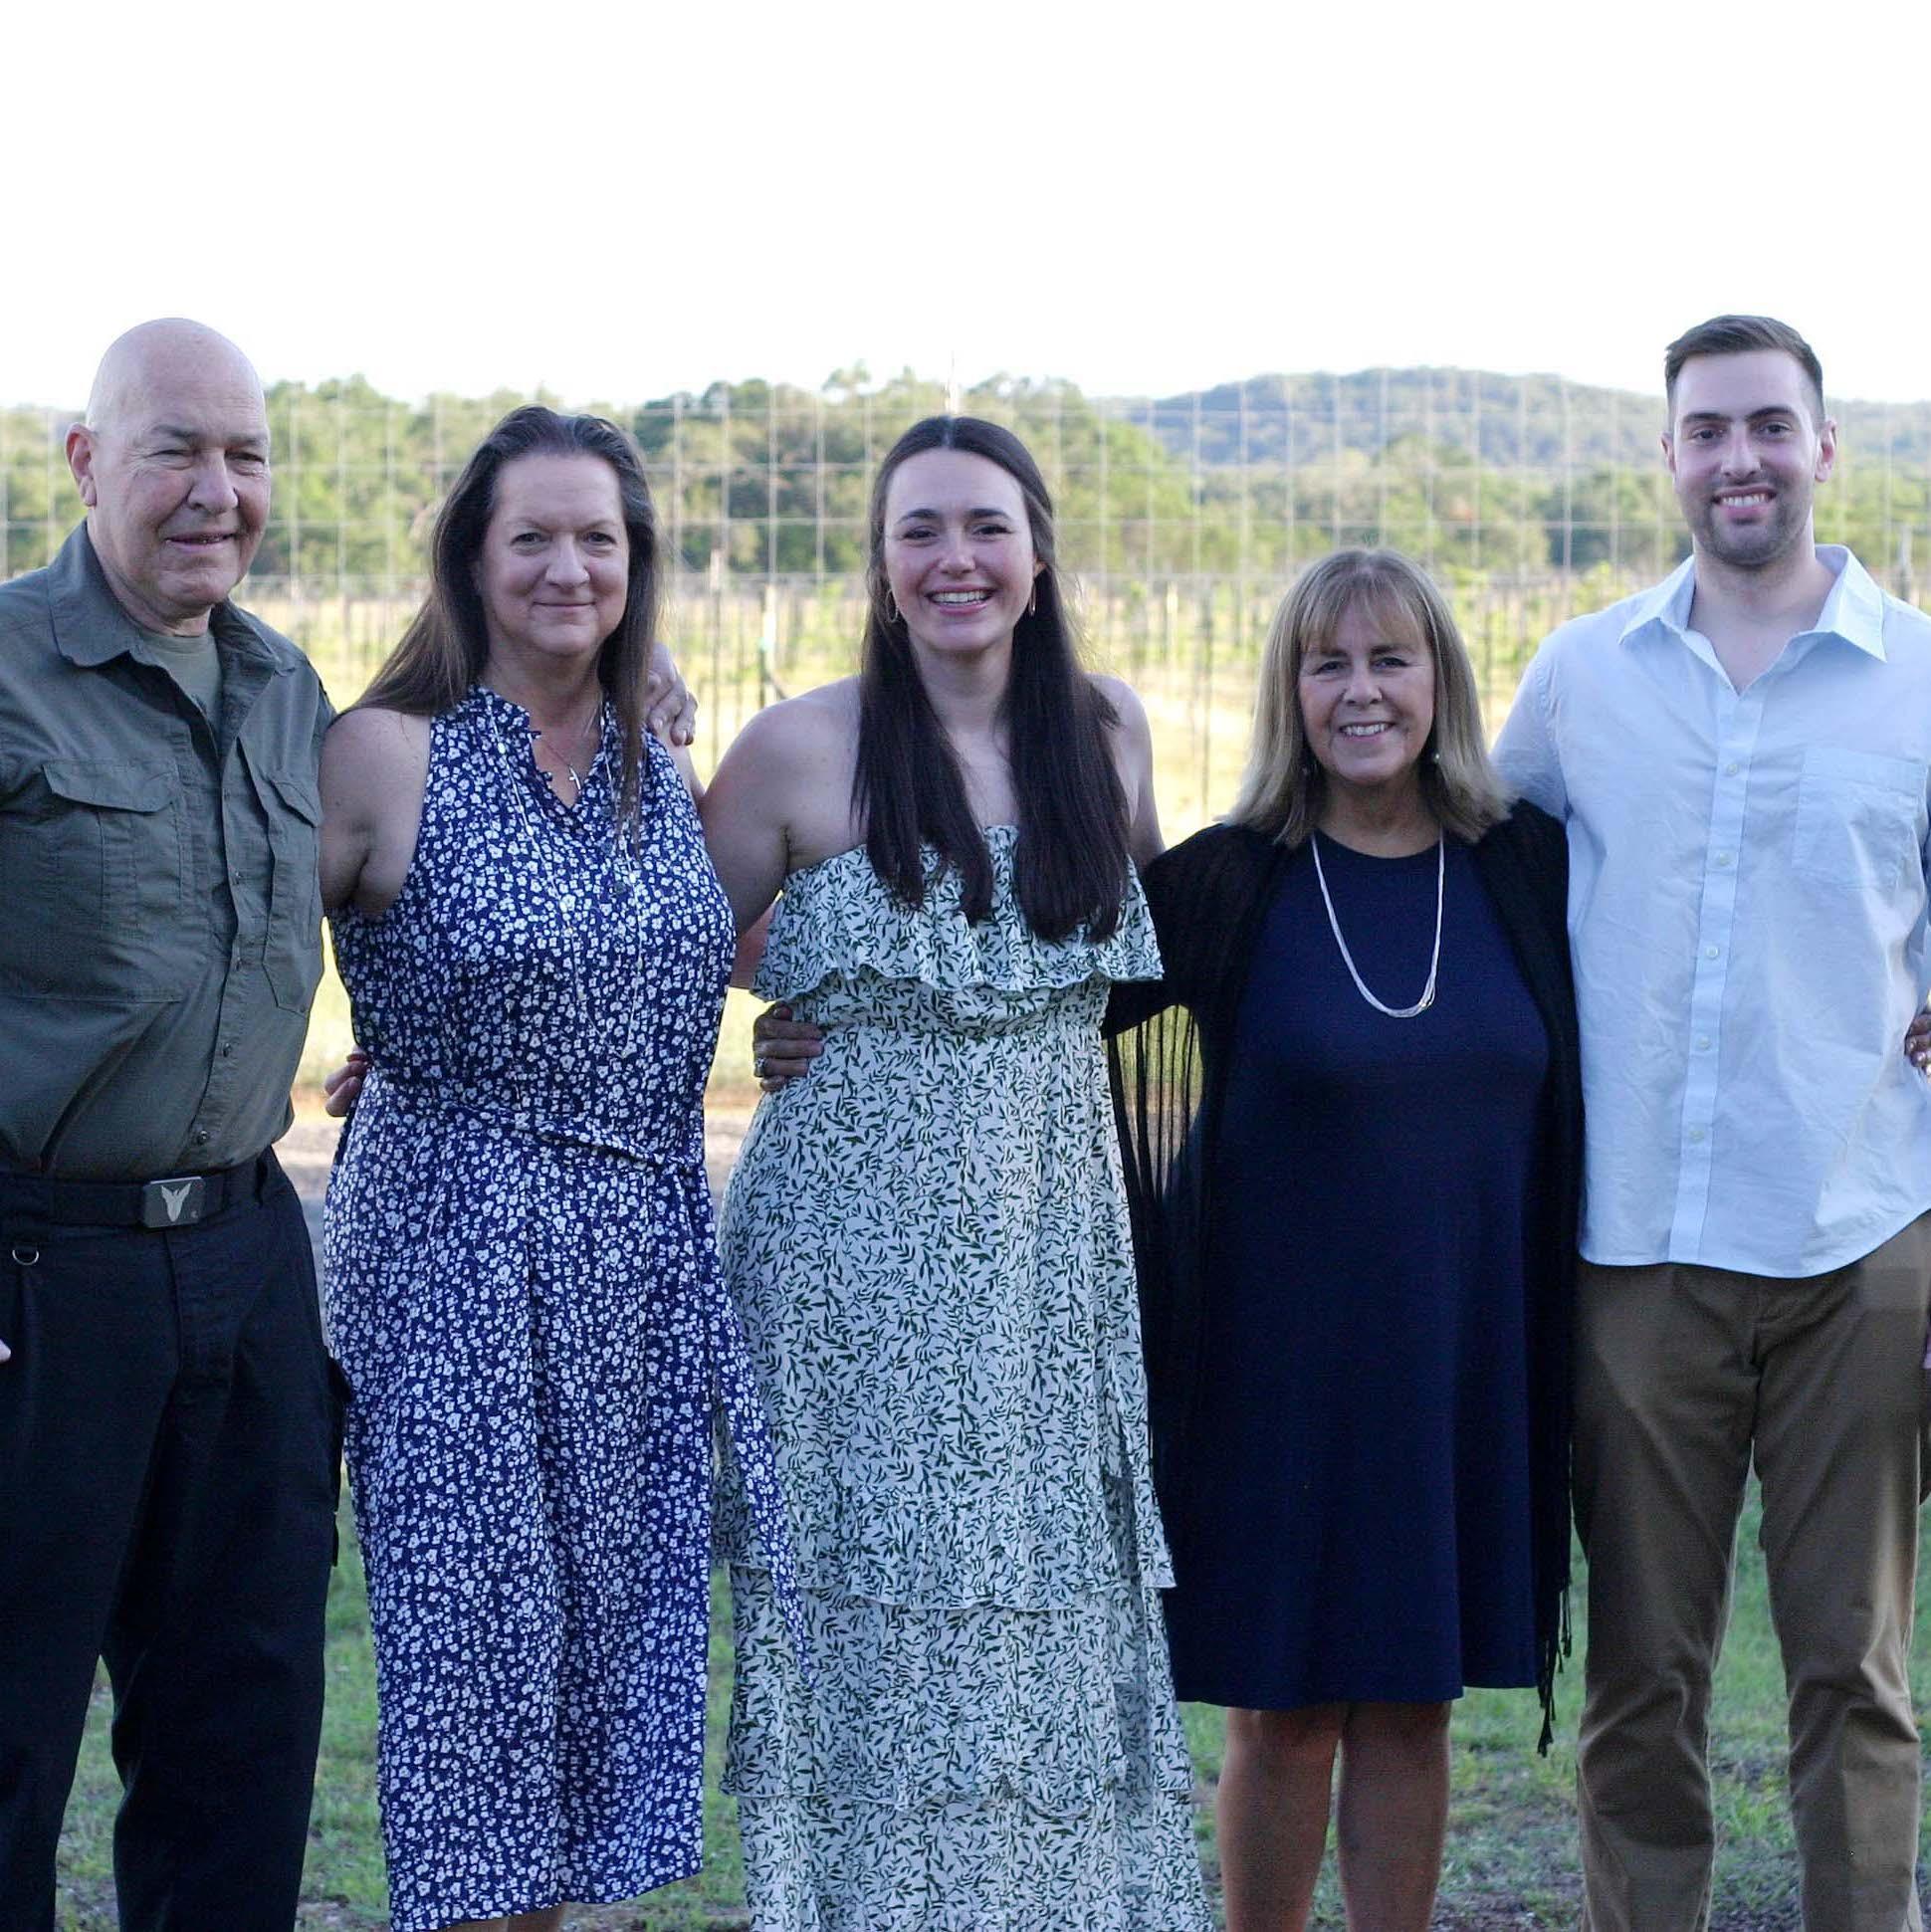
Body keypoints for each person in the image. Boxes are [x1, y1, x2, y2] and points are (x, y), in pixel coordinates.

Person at [699, 414, 1211, 1929]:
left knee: (1043, 1629)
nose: (954, 559)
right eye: (918, 529)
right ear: (879, 564)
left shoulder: (1107, 733)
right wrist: (793, 1002)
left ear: (1039, 552)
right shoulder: (798, 746)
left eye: (986, 525)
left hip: (1052, 1258)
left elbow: (1149, 979)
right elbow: (654, 951)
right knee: (867, 1631)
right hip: (845, 1269)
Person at [317, 405, 793, 1932]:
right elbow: (231, 942)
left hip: (638, 1267)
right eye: (532, 535)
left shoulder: (660, 755)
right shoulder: (386, 751)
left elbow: (715, 951)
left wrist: (814, 1023)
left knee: (605, 1685)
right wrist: (384, 1058)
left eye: (599, 537)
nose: (567, 566)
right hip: (452, 1266)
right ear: (472, 556)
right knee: (473, 1686)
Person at [1493, 315, 1931, 1932]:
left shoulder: (1922, 679)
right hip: (1638, 1249)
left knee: (1855, 1669)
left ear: (1825, 447)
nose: (1739, 457)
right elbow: (1461, 866)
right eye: (1707, 429)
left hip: (1858, 1238)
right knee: (1641, 1674)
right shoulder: (1582, 676)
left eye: (1768, 425)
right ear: (1668, 456)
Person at [1101, 549, 1579, 1930]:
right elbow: (1034, 1017)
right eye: (1328, 665)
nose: (1361, 692)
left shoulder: (1525, 868)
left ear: (1442, 684)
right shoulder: (1225, 883)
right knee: (1288, 1712)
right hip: (1276, 1378)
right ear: (1289, 692)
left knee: (1416, 1708)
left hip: (1460, 1363)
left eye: (1390, 661)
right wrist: (815, 1020)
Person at [0, 319, 339, 1932]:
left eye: (246, 455)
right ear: (84, 462)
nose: (219, 491)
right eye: (175, 451)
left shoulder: (286, 686)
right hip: (37, 1276)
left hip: (249, 1266)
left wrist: (643, 686)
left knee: (239, 1745)